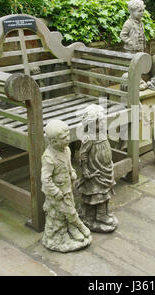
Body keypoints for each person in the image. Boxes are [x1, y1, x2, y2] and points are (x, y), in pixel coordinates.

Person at [41, 120, 91, 253]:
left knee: (70, 208)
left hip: (67, 189)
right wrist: (55, 191)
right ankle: (77, 227)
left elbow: (68, 165)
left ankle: (73, 230)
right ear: (53, 141)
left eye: (68, 135)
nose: (68, 139)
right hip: (56, 194)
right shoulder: (48, 157)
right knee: (67, 212)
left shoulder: (67, 150)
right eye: (64, 138)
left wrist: (72, 172)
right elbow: (45, 179)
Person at [78, 104, 117, 233]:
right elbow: (83, 155)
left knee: (106, 192)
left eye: (101, 121)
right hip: (95, 171)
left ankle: (103, 214)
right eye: (97, 122)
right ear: (89, 123)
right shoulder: (89, 138)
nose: (100, 124)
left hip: (105, 169)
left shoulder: (102, 134)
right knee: (98, 194)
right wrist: (84, 169)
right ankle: (96, 216)